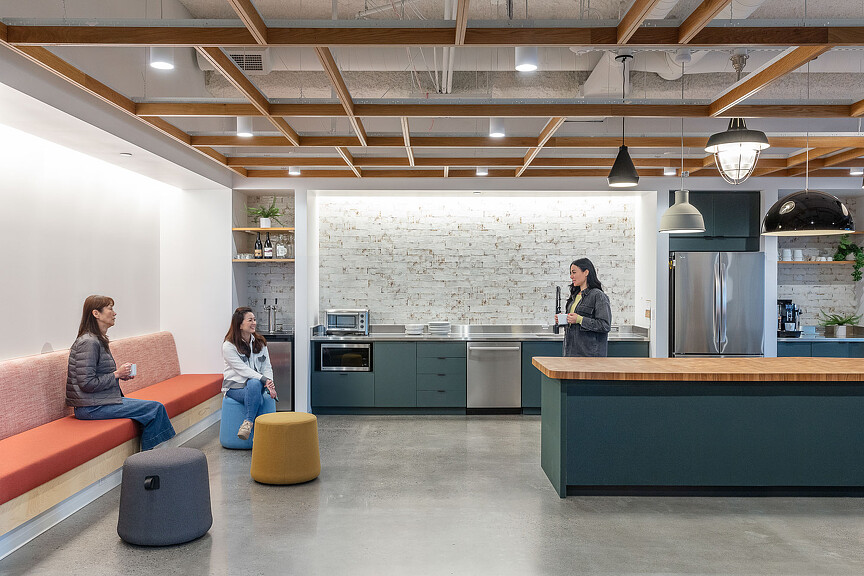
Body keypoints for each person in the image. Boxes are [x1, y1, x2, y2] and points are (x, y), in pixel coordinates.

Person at [66, 295, 175, 450]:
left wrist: (120, 375)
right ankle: (150, 464)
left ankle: (153, 460)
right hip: (90, 408)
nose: (114, 313)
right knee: (155, 408)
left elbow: (94, 379)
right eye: (110, 308)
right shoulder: (88, 342)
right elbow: (86, 383)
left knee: (154, 408)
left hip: (98, 403)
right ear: (96, 313)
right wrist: (116, 374)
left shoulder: (96, 340)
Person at [222, 307, 278, 440]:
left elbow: (267, 366)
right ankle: (259, 435)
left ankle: (248, 424)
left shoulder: (260, 343)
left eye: (254, 320)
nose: (254, 323)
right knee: (255, 388)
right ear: (240, 325)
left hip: (256, 385)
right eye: (250, 320)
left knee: (253, 383)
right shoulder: (229, 346)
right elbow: (243, 370)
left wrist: (269, 382)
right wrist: (264, 379)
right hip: (235, 387)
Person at [555, 258, 612, 357]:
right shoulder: (574, 296)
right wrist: (564, 320)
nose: (571, 276)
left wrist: (580, 319)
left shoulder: (598, 295)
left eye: (574, 272)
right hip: (570, 353)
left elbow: (605, 325)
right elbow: (574, 325)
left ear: (586, 272)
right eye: (570, 273)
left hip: (589, 356)